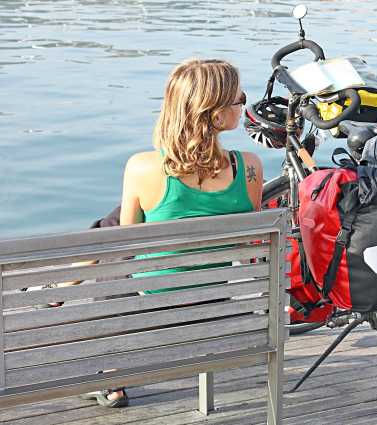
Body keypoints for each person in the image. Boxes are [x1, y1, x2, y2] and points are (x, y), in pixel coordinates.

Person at [81, 58, 263, 408]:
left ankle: (112, 380)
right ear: (215, 111)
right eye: (238, 98)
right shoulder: (250, 168)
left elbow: (124, 247)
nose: (243, 104)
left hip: (153, 311)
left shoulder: (142, 167)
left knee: (109, 279)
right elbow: (244, 242)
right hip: (215, 305)